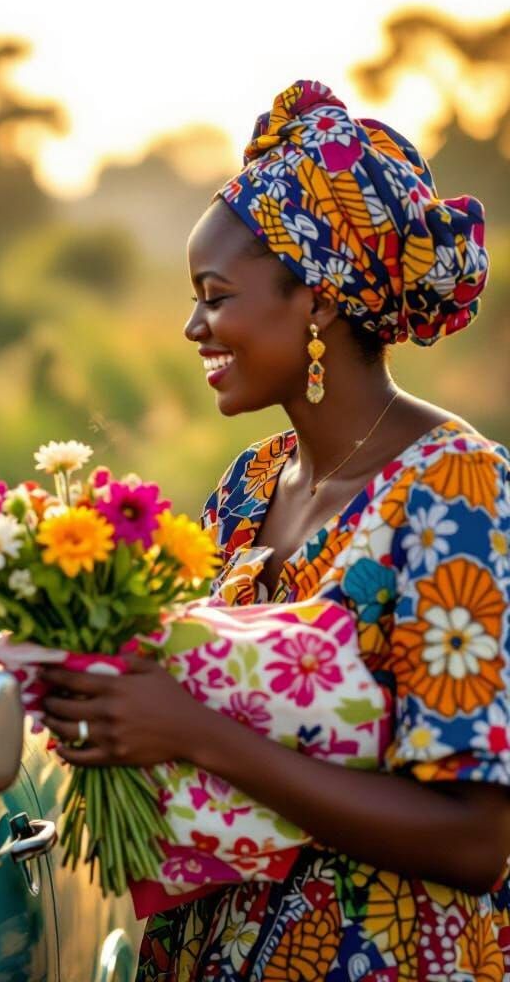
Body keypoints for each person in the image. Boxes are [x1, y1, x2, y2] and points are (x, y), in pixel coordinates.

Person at [39, 80, 510, 980]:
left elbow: (474, 840)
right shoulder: (252, 483)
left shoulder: (458, 492)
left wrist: (192, 732)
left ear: (320, 300)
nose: (192, 325)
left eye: (214, 296)